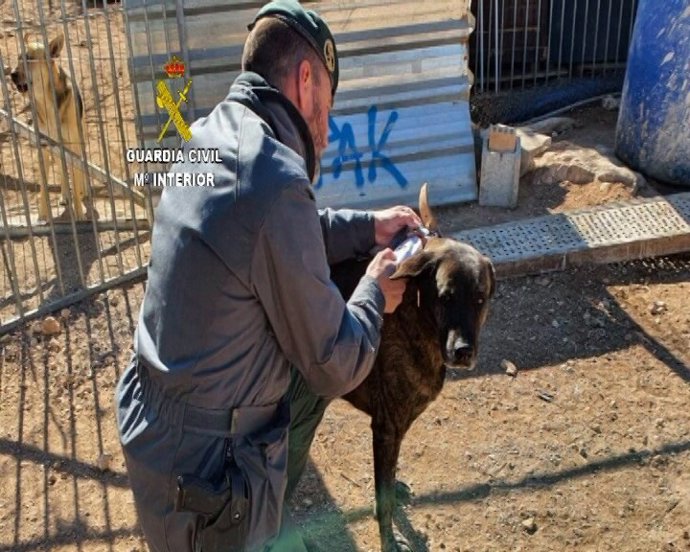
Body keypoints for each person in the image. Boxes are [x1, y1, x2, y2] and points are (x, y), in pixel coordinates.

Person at [115, 1, 422, 551]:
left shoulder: (209, 136)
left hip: (162, 435)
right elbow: (337, 362)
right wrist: (375, 286)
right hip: (210, 478)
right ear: (305, 81)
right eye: (326, 109)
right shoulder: (274, 178)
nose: (326, 134)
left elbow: (282, 235)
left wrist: (368, 228)